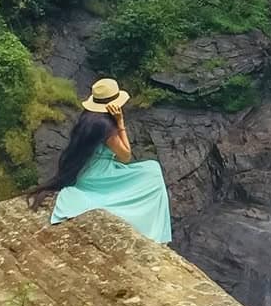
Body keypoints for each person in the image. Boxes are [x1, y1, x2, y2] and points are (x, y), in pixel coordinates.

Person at [30, 78, 172, 243]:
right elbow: (125, 156)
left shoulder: (88, 119)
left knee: (151, 169)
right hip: (99, 175)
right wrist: (120, 122)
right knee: (152, 174)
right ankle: (154, 230)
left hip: (86, 172)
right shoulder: (106, 127)